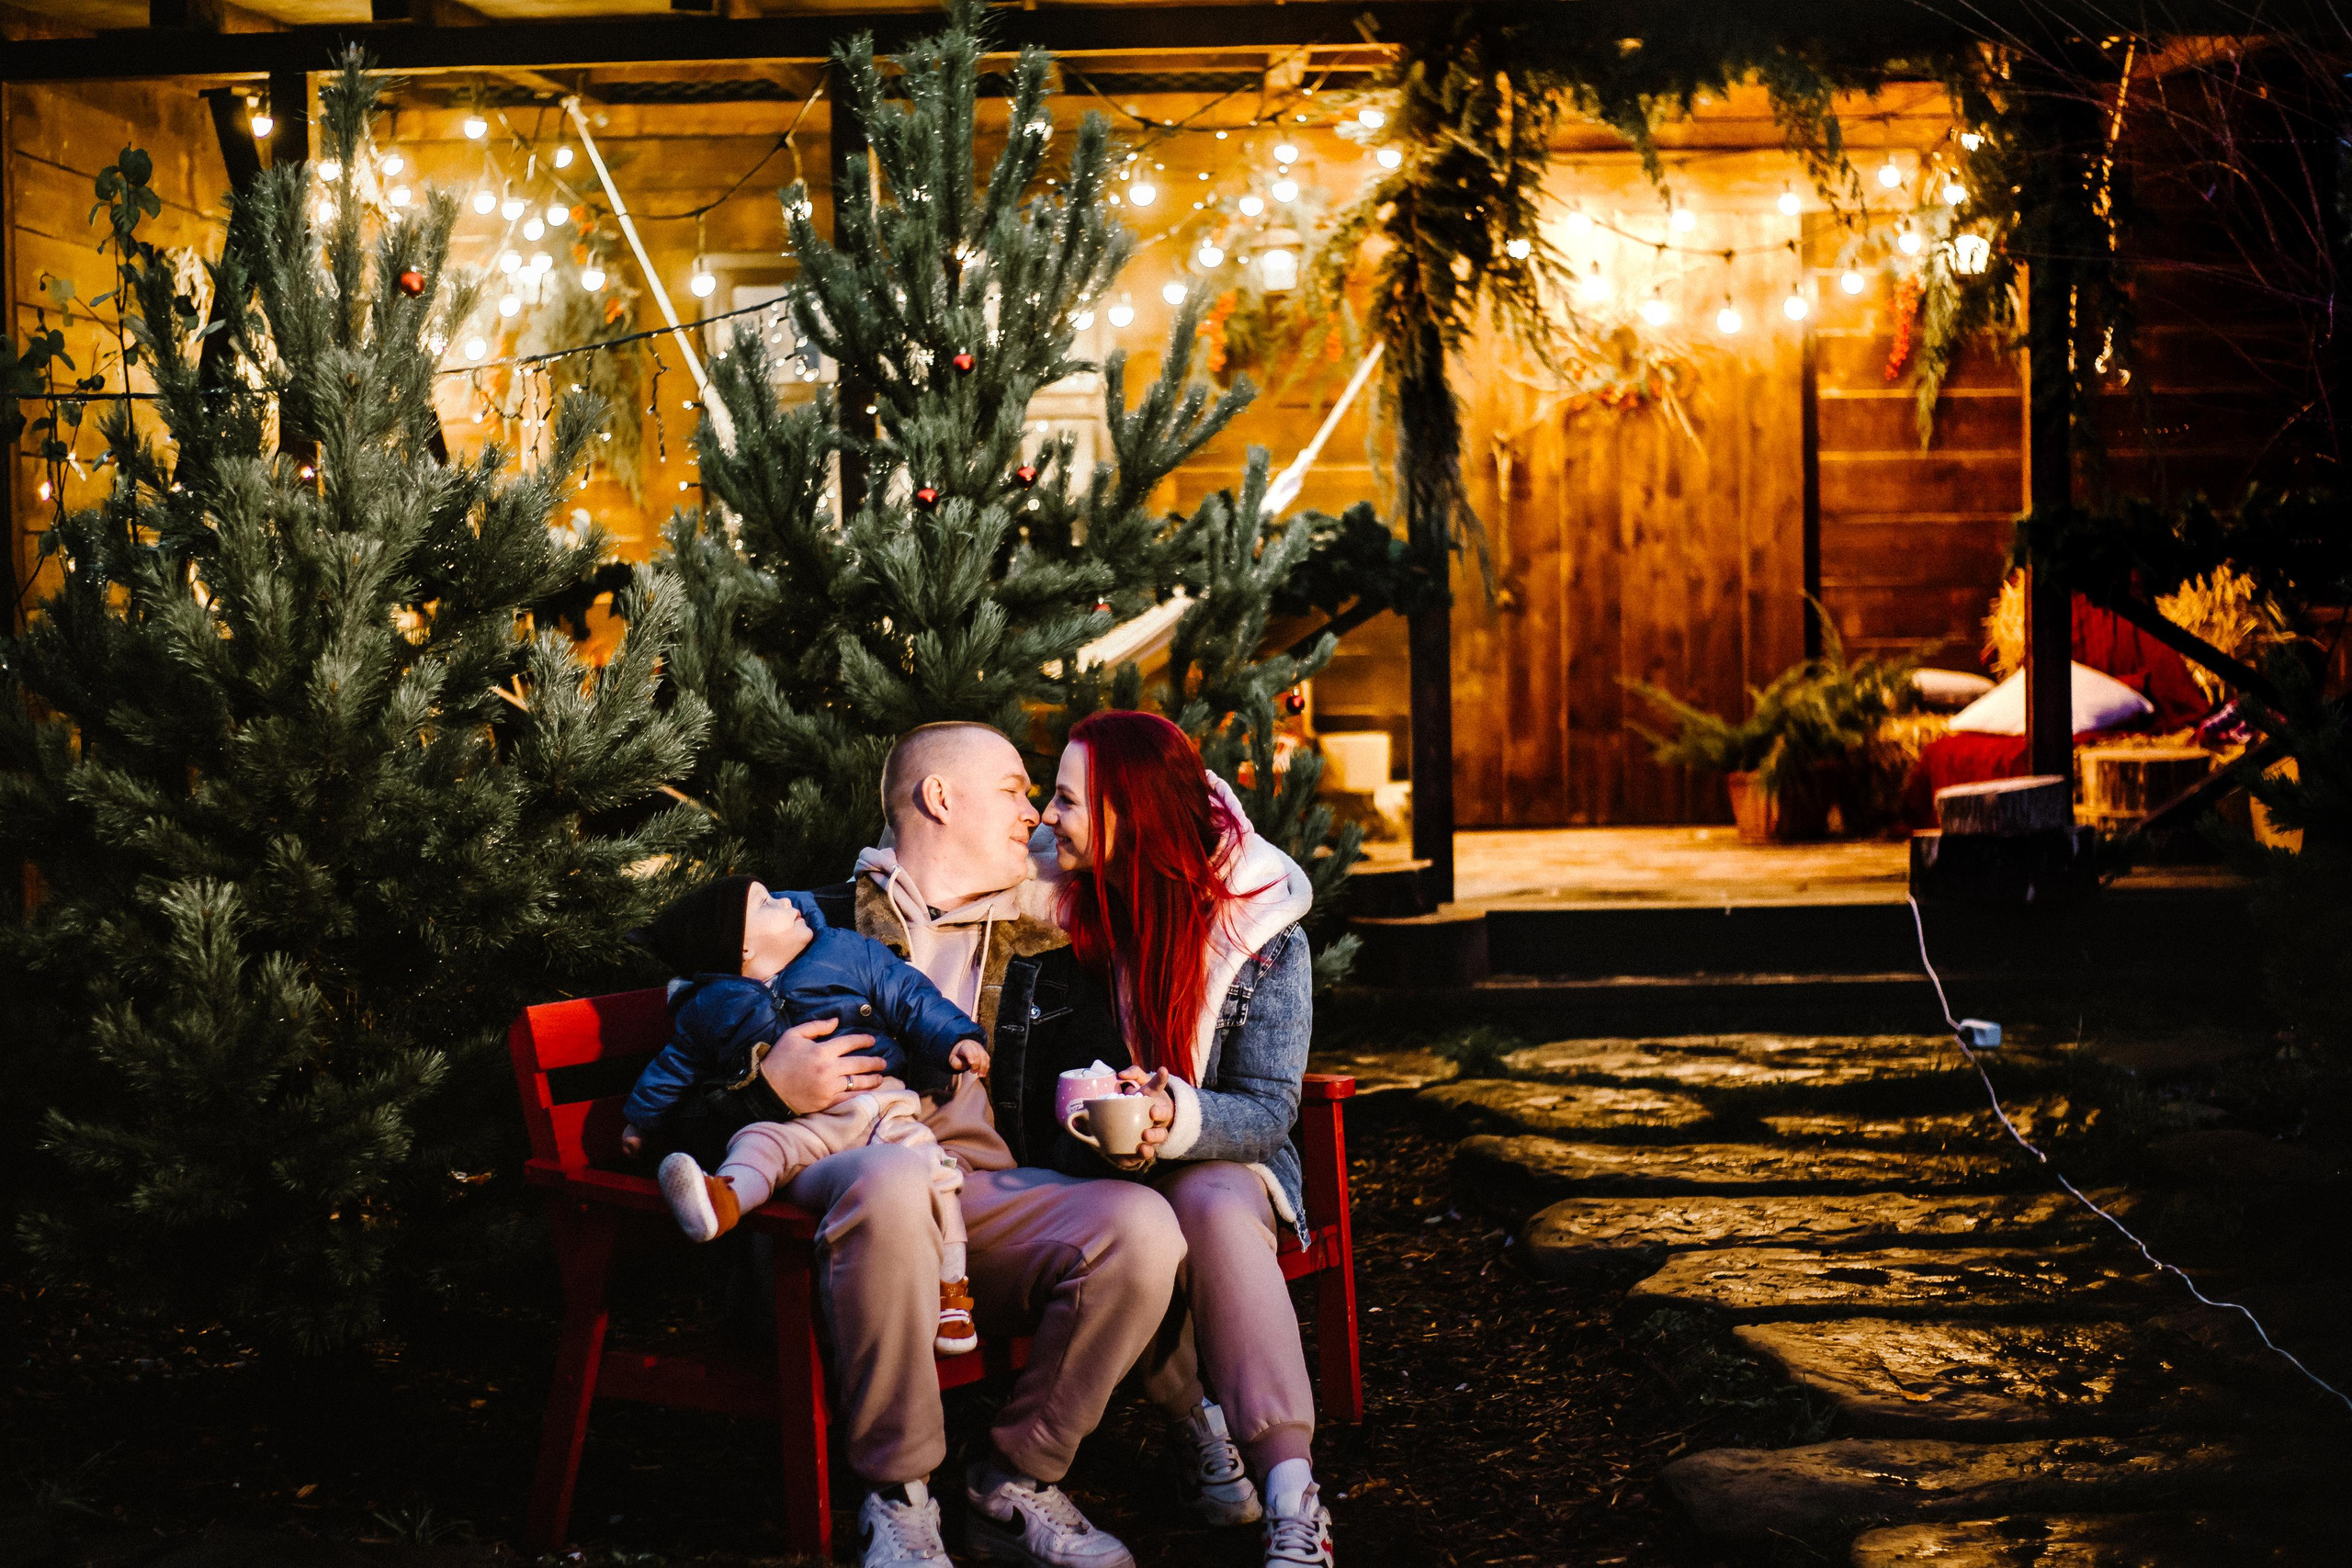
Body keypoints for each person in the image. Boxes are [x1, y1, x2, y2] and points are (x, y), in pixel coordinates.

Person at [695, 721, 1183, 1568]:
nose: (1033, 812)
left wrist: (1128, 1120)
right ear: (940, 798)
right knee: (890, 1180)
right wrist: (766, 1080)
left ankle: (1016, 1479)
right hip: (845, 1173)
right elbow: (674, 1089)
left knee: (1142, 1227)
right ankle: (899, 1497)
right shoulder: (806, 926)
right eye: (1013, 788)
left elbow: (1099, 1081)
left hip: (979, 1195)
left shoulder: (1049, 945)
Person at [1041, 711, 1336, 1568]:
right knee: (1138, 1218)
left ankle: (1293, 1495)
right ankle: (1195, 1419)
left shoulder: (1262, 930)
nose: (1044, 817)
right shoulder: (1065, 902)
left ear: (1127, 812)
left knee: (1202, 1196)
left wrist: (1178, 1120)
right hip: (1097, 1161)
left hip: (1231, 1165)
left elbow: (1269, 1109)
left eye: (1065, 799)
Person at [618, 875, 990, 1354]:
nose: (788, 900)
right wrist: (640, 1120)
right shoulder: (711, 1006)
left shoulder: (844, 953)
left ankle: (952, 1292)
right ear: (743, 948)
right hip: (800, 1127)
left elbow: (909, 996)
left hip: (879, 1106)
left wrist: (957, 1037)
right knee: (758, 1145)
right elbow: (674, 1066)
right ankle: (722, 1201)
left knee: (934, 1174)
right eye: (767, 904)